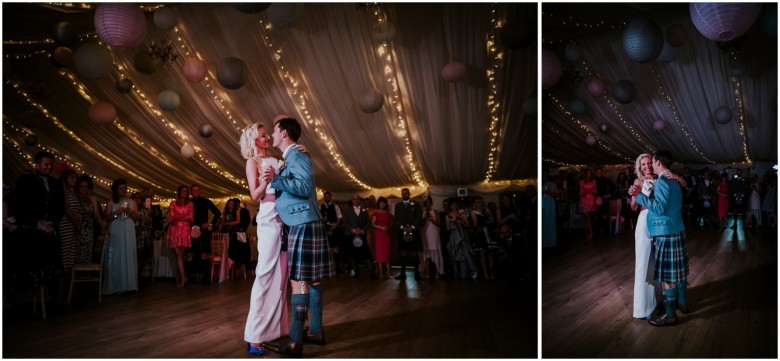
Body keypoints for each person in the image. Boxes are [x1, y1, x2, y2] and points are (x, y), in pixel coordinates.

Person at [261, 117, 334, 357]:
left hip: (302, 221)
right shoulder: (293, 156)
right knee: (311, 279)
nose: (272, 134)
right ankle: (315, 331)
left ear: (283, 133)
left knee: (299, 279)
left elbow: (303, 187)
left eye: (274, 130)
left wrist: (276, 179)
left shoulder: (297, 156)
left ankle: (294, 340)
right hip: (304, 220)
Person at [239, 122, 290, 356]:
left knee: (281, 276)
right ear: (253, 140)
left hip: (285, 218)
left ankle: (277, 329)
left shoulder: (278, 160)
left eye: (267, 134)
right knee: (265, 274)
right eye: (263, 135)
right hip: (269, 220)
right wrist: (267, 180)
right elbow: (254, 195)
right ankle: (255, 336)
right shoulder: (253, 162)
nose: (268, 137)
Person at [629, 150, 689, 326]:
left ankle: (671, 312)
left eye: (651, 162)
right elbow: (635, 206)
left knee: (667, 272)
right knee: (670, 268)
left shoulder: (665, 179)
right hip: (665, 226)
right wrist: (635, 195)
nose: (649, 165)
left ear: (656, 162)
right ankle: (671, 303)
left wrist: (640, 196)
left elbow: (660, 207)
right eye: (644, 163)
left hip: (662, 227)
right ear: (639, 167)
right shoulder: (668, 180)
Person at [7, 151, 65, 302]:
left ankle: (55, 301)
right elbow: (20, 206)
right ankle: (31, 302)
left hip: (51, 230)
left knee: (56, 267)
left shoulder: (56, 183)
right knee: (36, 267)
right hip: (32, 232)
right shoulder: (25, 181)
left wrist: (50, 222)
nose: (49, 167)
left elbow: (60, 208)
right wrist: (37, 222)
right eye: (46, 164)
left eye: (51, 164)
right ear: (37, 165)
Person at [103, 178, 139, 295]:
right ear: (116, 190)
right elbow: (107, 217)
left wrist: (130, 211)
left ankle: (129, 286)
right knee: (116, 255)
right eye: (120, 188)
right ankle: (116, 286)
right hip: (116, 228)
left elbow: (136, 217)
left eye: (125, 188)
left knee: (128, 254)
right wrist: (117, 212)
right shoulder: (111, 202)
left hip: (128, 228)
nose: (123, 190)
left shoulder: (132, 201)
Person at [189, 184, 221, 284]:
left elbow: (217, 213)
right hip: (190, 230)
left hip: (203, 230)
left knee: (204, 254)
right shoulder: (188, 202)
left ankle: (206, 278)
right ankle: (190, 278)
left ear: (200, 191)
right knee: (190, 254)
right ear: (191, 192)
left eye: (198, 190)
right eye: (194, 190)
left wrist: (210, 224)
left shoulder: (206, 201)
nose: (196, 192)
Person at [393, 188, 424, 281]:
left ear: (409, 194)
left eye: (406, 193)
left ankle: (417, 274)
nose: (405, 195)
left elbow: (419, 218)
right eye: (403, 193)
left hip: (413, 231)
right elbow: (396, 218)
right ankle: (403, 274)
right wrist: (402, 227)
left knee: (414, 252)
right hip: (402, 231)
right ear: (401, 195)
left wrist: (412, 227)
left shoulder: (416, 204)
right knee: (403, 252)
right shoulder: (398, 205)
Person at [342, 194, 376, 279]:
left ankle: (371, 271)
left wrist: (363, 230)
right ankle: (355, 271)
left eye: (358, 200)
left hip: (361, 235)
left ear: (359, 201)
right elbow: (345, 222)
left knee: (366, 253)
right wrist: (352, 230)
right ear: (352, 200)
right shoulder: (347, 210)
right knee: (353, 254)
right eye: (354, 199)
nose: (356, 201)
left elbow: (368, 223)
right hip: (351, 235)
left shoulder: (364, 211)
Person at [167, 185, 193, 288]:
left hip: (185, 230)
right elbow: (172, 218)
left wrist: (179, 217)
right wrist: (183, 217)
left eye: (186, 191)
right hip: (175, 229)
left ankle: (180, 276)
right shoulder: (173, 203)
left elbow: (191, 218)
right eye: (183, 191)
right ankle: (183, 278)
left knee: (182, 255)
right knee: (178, 255)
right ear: (179, 192)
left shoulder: (190, 204)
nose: (185, 192)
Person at [75, 175, 104, 264]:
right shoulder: (74, 197)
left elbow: (96, 215)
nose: (84, 189)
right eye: (82, 186)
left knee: (86, 255)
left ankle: (84, 274)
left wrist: (103, 227)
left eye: (86, 187)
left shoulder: (92, 199)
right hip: (75, 230)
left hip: (88, 232)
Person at [319, 191, 344, 274]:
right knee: (325, 249)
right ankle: (325, 269)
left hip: (334, 227)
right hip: (324, 228)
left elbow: (340, 218)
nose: (327, 198)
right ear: (324, 197)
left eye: (328, 196)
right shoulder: (320, 207)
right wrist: (323, 220)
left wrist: (334, 226)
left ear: (330, 197)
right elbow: (318, 219)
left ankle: (338, 268)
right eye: (325, 196)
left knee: (336, 248)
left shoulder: (336, 207)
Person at [421, 197, 444, 278]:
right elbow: (420, 224)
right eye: (426, 202)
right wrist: (424, 219)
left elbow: (439, 223)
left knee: (435, 251)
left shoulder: (435, 211)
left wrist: (431, 219)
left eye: (429, 202)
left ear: (431, 203)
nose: (427, 203)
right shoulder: (422, 212)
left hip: (434, 232)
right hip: (425, 233)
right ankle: (427, 273)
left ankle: (437, 272)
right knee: (427, 252)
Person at [372, 196, 393, 279]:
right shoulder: (375, 213)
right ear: (378, 204)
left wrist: (388, 226)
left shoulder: (388, 213)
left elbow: (391, 223)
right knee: (379, 253)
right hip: (379, 234)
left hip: (386, 234)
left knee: (387, 252)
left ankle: (389, 272)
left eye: (384, 202)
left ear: (385, 204)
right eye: (381, 202)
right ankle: (380, 273)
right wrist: (380, 227)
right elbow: (373, 223)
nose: (382, 204)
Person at [579, 169, 597, 240]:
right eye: (587, 173)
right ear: (585, 174)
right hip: (584, 200)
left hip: (591, 200)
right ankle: (588, 231)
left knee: (589, 217)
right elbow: (581, 192)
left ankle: (591, 232)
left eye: (590, 173)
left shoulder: (594, 181)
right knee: (586, 217)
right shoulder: (581, 181)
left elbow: (595, 191)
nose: (589, 174)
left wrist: (586, 191)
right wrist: (588, 191)